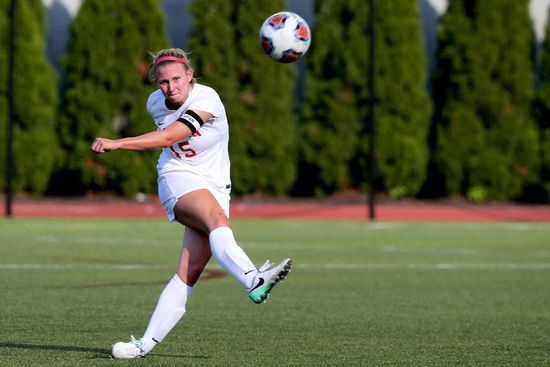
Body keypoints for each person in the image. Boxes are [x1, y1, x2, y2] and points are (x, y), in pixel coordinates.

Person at [91, 48, 292, 359]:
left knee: (189, 272)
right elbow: (168, 142)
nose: (171, 88)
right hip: (177, 177)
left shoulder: (207, 99)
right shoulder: (154, 102)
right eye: (163, 82)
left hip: (215, 186)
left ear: (189, 75)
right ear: (156, 84)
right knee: (215, 220)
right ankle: (253, 279)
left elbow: (171, 135)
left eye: (176, 79)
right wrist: (120, 144)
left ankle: (142, 345)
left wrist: (118, 142)